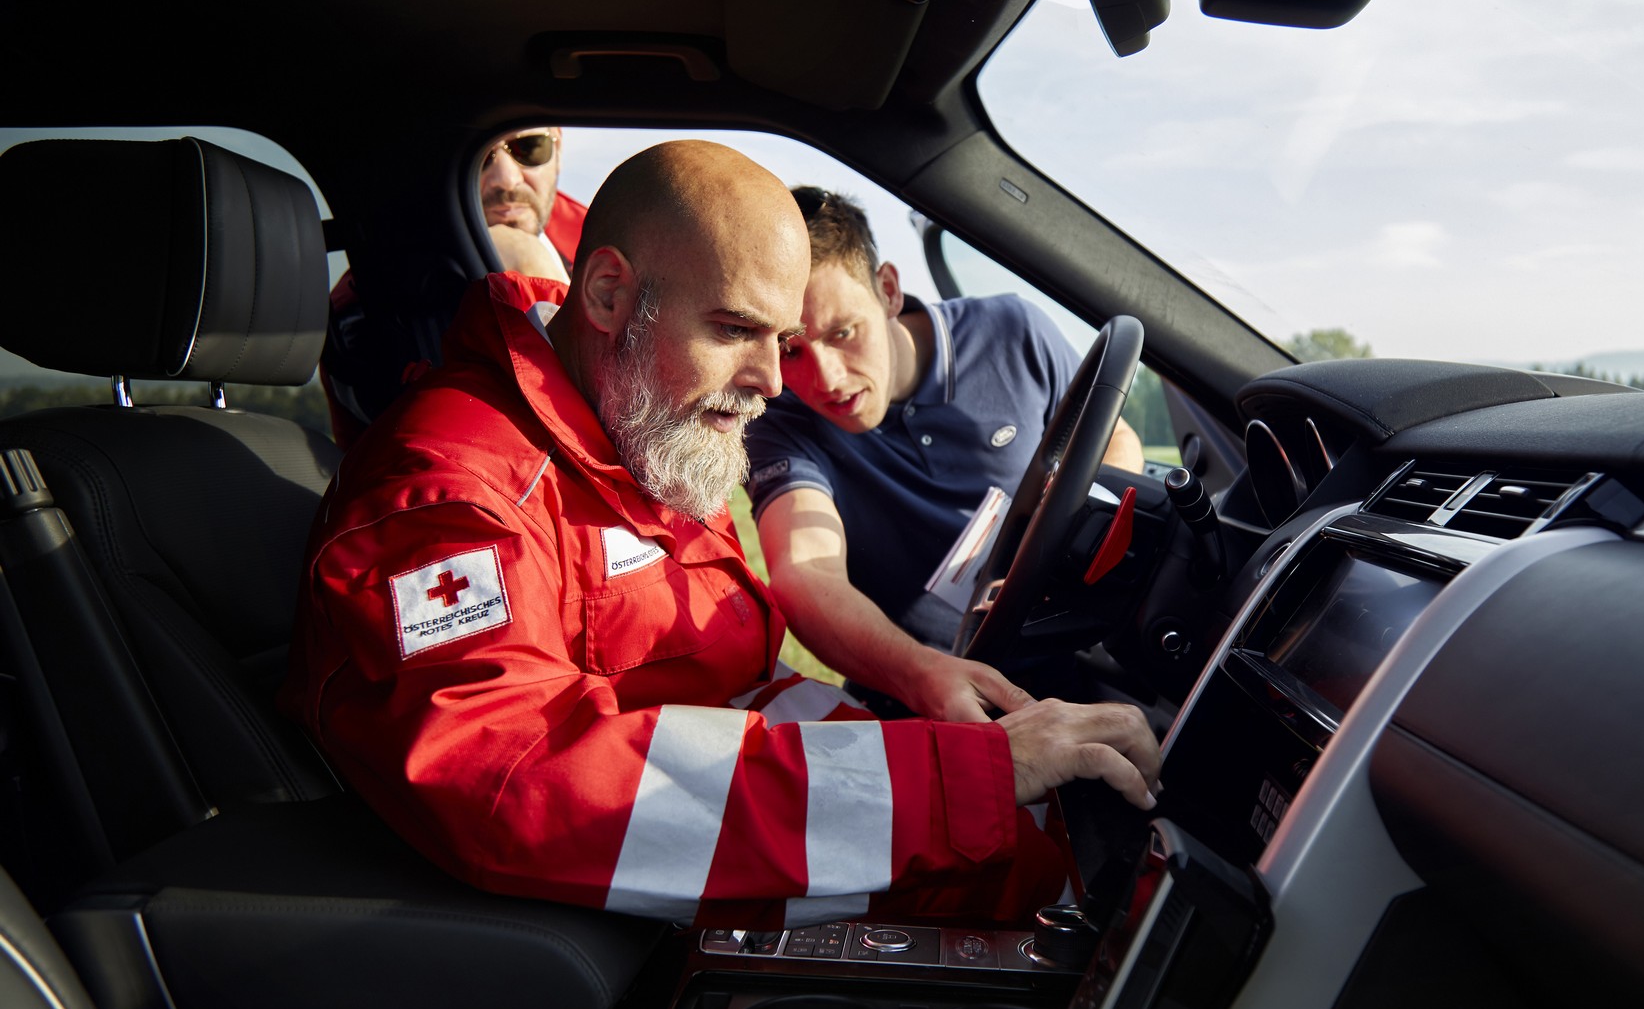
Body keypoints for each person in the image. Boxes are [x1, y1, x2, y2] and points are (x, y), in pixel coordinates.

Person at [283, 141, 1160, 930]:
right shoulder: (451, 495)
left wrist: (983, 775)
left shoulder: (627, 430)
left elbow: (740, 692)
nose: (775, 382)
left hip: (734, 833)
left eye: (781, 338)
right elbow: (517, 781)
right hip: (635, 915)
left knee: (1079, 847)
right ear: (608, 294)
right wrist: (962, 782)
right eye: (737, 330)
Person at [745, 189, 1144, 718]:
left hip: (1072, 650)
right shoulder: (781, 417)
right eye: (791, 349)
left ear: (887, 290)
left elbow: (1116, 439)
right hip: (920, 699)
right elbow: (806, 572)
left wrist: (1075, 533)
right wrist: (924, 676)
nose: (826, 380)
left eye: (843, 332)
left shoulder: (1013, 332)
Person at [321, 126, 588, 448]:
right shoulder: (371, 311)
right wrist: (538, 277)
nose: (507, 180)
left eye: (530, 148)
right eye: (482, 156)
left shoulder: (611, 237)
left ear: (558, 154)